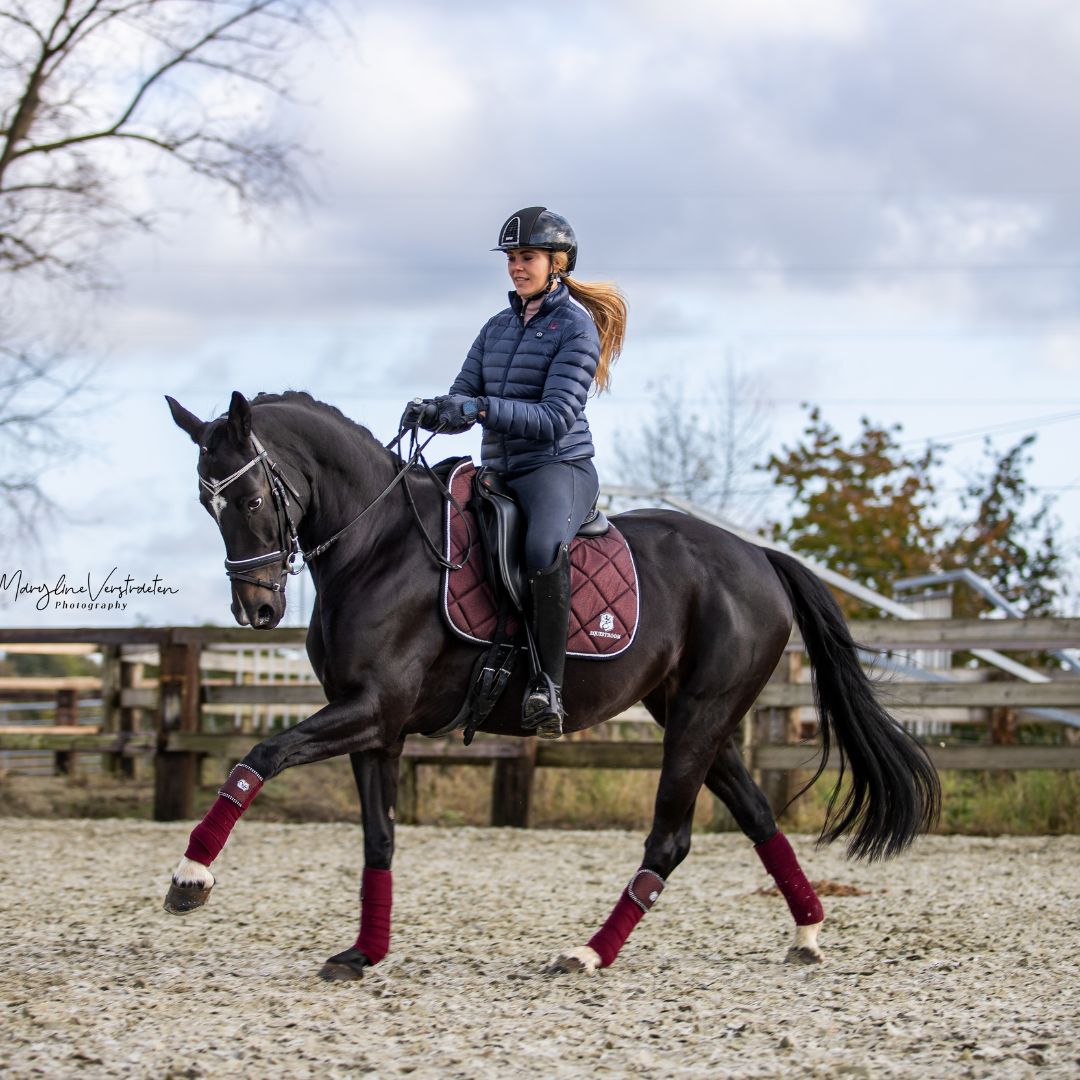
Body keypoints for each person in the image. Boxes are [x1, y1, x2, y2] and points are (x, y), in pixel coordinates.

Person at [411, 206, 627, 739]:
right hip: (499, 468)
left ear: (557, 263)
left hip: (558, 468)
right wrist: (440, 409)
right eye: (511, 258)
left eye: (526, 257)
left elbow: (555, 418)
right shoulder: (497, 327)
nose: (515, 267)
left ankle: (548, 686)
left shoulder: (575, 329)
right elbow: (466, 391)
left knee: (541, 549)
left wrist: (481, 409)